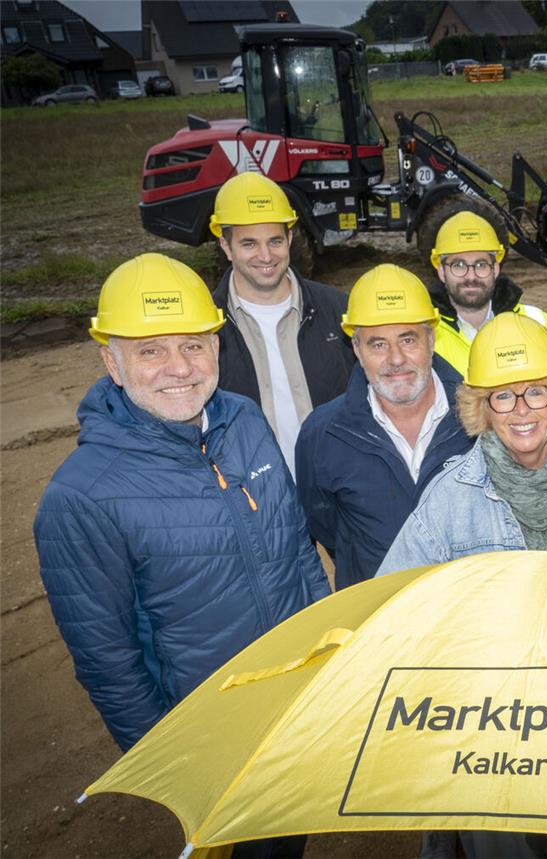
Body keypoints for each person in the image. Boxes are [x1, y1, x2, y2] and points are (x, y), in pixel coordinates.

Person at [34, 254, 329, 858]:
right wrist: (174, 765)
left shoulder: (244, 420)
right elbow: (107, 661)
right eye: (150, 351)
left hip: (292, 702)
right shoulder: (81, 497)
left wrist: (325, 653)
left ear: (217, 346)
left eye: (194, 345)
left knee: (289, 835)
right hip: (210, 736)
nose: (179, 368)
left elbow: (297, 547)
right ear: (111, 363)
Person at [378, 312, 547, 859]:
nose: (521, 410)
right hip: (490, 727)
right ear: (481, 408)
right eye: (502, 397)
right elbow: (393, 604)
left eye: (535, 392)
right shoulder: (451, 498)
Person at [294, 264, 471, 590]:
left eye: (408, 339)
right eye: (377, 344)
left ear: (431, 339)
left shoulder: (479, 418)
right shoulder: (323, 435)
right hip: (379, 611)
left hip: (467, 606)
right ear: (357, 349)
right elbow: (327, 530)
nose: (396, 359)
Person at [210, 171, 356, 476]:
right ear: (226, 245)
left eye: (275, 241)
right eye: (249, 244)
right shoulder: (207, 326)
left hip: (337, 483)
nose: (266, 256)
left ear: (290, 238)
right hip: (250, 491)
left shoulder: (338, 310)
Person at [428, 210, 547, 376]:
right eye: (458, 265)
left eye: (481, 265)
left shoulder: (543, 326)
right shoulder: (423, 336)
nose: (471, 276)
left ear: (495, 269)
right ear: (441, 271)